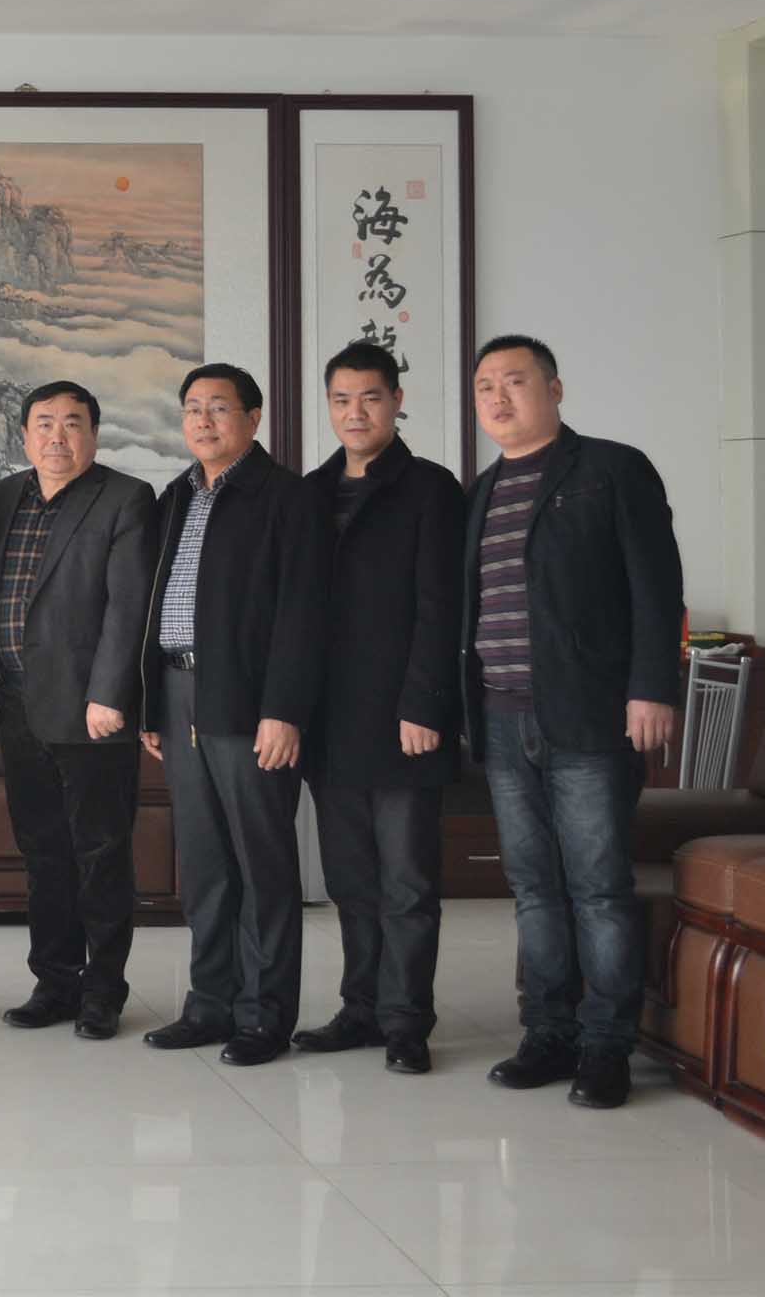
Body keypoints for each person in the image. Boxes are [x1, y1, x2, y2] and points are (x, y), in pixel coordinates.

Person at [464, 333, 683, 1109]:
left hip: (589, 715)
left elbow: (656, 586)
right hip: (501, 717)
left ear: (554, 389)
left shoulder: (612, 469)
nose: (498, 397)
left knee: (597, 886)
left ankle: (605, 1046)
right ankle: (547, 1032)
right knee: (533, 887)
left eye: (515, 381)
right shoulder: (481, 491)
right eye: (485, 385)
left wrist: (651, 688)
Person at [138, 362, 329, 1068]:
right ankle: (209, 1005)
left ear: (254, 418)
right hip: (179, 693)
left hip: (250, 704)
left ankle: (263, 1016)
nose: (204, 420)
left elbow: (304, 613)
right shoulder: (176, 497)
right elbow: (153, 605)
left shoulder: (288, 497)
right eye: (193, 408)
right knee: (205, 864)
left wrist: (284, 710)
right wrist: (151, 704)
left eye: (219, 407)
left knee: (261, 864)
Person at [290, 341, 465, 1076]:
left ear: (396, 400)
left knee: (408, 882)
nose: (354, 412)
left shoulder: (430, 488)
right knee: (351, 880)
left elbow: (441, 607)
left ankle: (406, 1020)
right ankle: (359, 1008)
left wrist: (426, 703)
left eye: (369, 397)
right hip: (331, 724)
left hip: (403, 720)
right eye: (341, 400)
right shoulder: (309, 493)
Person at [0, 380, 156, 1040]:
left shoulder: (124, 498)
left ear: (94, 434)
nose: (57, 436)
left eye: (72, 423)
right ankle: (54, 983)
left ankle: (103, 991)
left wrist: (109, 693)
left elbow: (128, 605)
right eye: (44, 423)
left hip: (91, 712)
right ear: (25, 435)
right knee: (42, 853)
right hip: (17, 706)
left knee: (100, 853)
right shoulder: (1, 498)